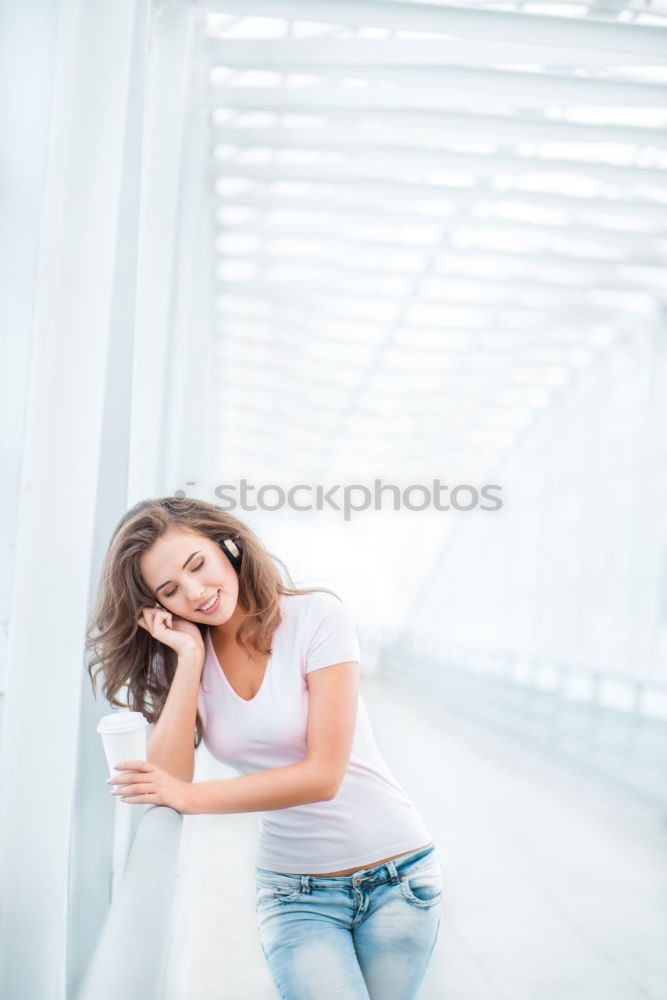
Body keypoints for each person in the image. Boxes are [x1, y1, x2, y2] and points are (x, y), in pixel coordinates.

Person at [86, 496, 443, 999]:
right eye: (170, 589)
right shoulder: (181, 660)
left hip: (398, 877)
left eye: (198, 565)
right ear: (158, 605)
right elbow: (169, 779)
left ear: (228, 545)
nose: (195, 591)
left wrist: (191, 799)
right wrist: (188, 658)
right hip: (295, 892)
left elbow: (323, 776)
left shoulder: (317, 618)